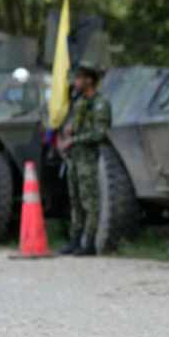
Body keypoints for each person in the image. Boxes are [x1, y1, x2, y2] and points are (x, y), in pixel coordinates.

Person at [57, 61, 112, 257]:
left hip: (88, 159)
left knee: (90, 203)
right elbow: (75, 125)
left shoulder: (100, 104)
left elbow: (100, 134)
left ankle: (89, 243)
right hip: (75, 159)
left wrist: (74, 140)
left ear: (89, 80)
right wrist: (70, 130)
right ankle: (74, 240)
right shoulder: (80, 103)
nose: (76, 82)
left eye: (79, 78)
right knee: (76, 201)